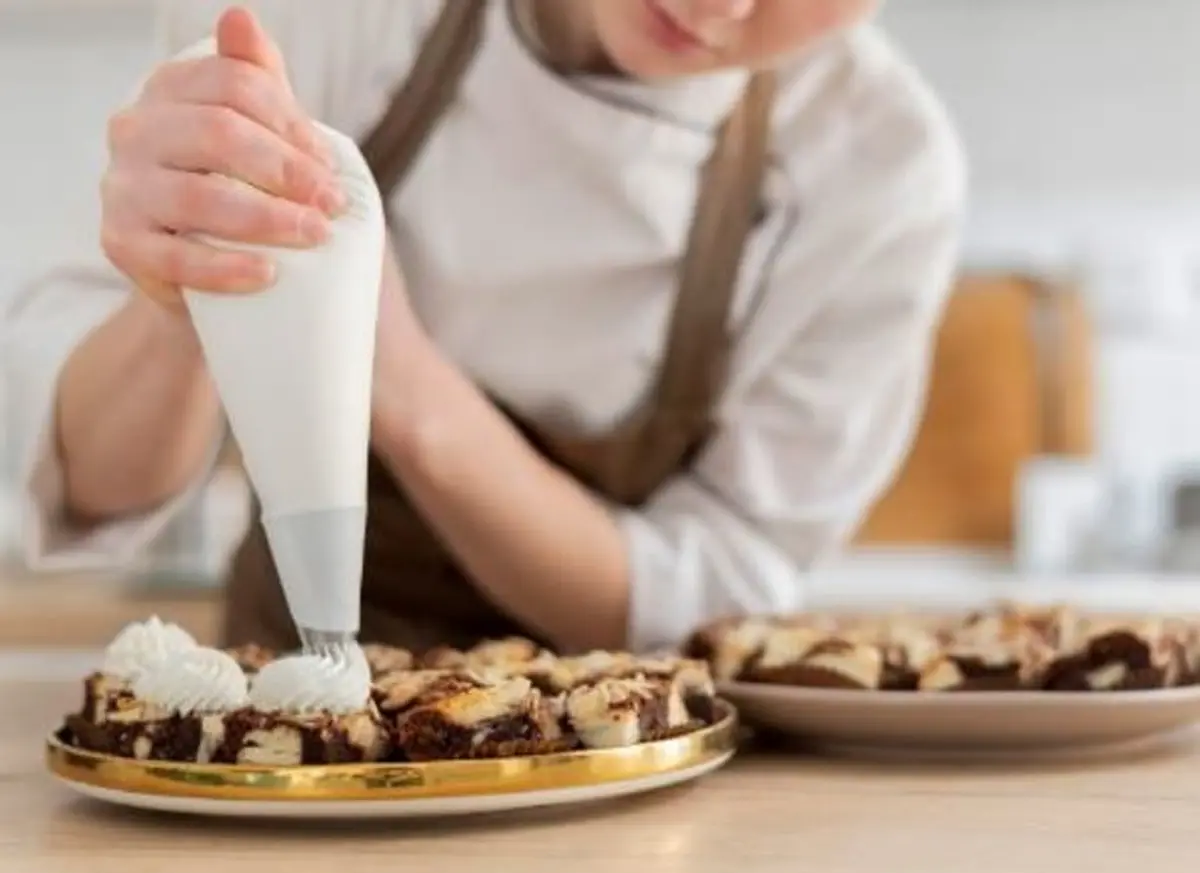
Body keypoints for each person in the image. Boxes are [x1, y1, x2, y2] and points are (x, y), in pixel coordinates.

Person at [3, 0, 965, 655]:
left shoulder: (878, 174)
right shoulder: (340, 16)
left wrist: (405, 385)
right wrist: (190, 285)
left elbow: (717, 604)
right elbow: (93, 483)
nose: (714, 1)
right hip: (273, 765)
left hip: (626, 808)